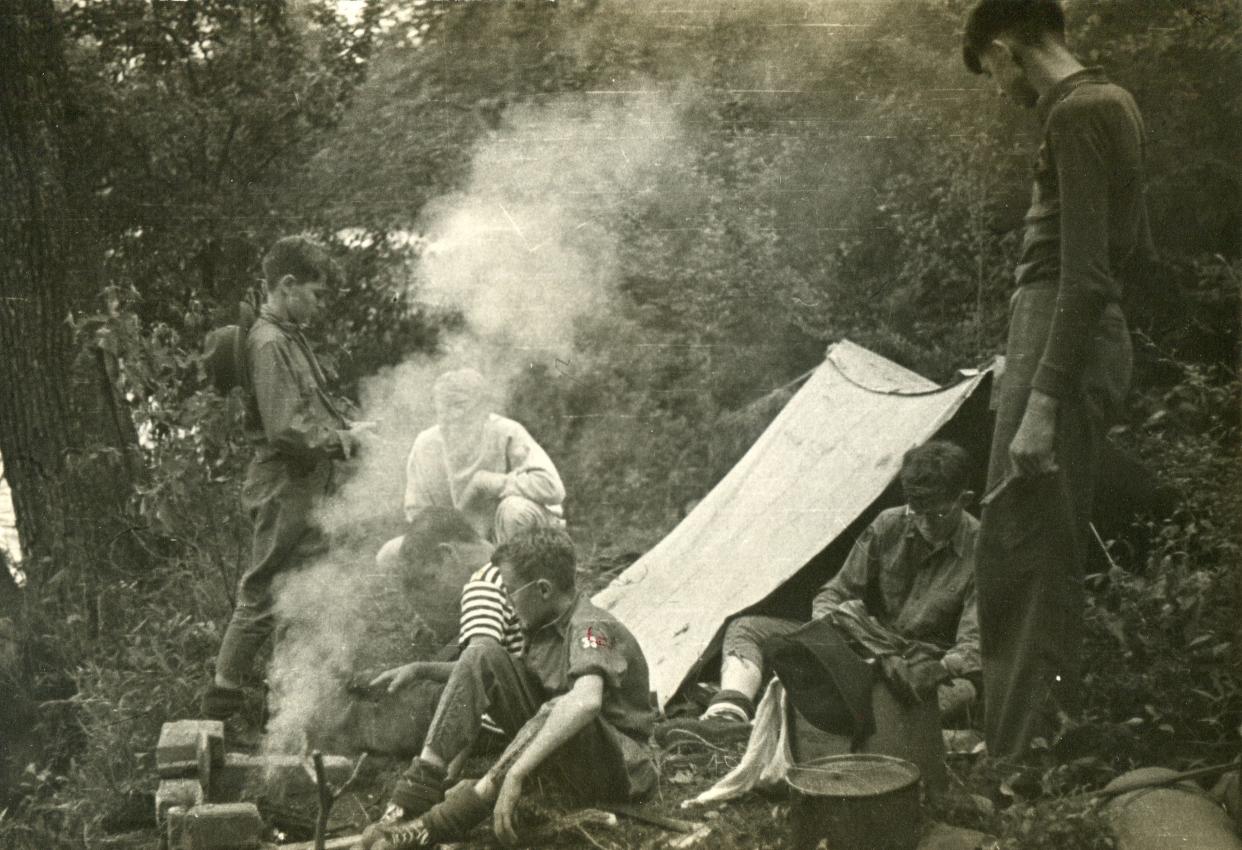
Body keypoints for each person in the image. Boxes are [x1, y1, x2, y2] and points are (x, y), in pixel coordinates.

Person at [961, 0, 1151, 760]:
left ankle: (1019, 771)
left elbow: (1085, 275)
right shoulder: (1114, 102)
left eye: (993, 74)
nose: (1003, 91)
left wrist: (1044, 396)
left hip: (1062, 332)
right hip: (1057, 335)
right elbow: (1128, 252)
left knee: (1021, 549)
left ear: (1006, 50)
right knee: (1031, 543)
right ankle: (1022, 748)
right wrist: (1031, 350)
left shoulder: (1073, 114)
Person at [356, 527, 657, 850]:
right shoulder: (543, 630)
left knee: (560, 705)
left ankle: (439, 823)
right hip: (571, 761)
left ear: (542, 589)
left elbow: (585, 702)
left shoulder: (591, 627)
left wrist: (514, 774)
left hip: (622, 769)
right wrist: (422, 670)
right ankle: (411, 797)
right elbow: (483, 673)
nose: (509, 603)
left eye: (511, 591)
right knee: (480, 653)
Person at [675, 441, 981, 739]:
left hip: (922, 666)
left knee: (963, 692)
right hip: (868, 646)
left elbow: (973, 643)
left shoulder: (981, 549)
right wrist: (825, 632)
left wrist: (937, 668)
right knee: (747, 629)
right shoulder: (890, 524)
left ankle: (815, 722)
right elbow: (836, 592)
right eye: (917, 512)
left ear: (964, 500)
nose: (924, 523)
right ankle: (728, 715)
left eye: (936, 514)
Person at [200, 236, 370, 722]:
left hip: (302, 482)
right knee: (264, 590)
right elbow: (285, 429)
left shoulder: (285, 333)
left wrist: (345, 429)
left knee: (306, 582)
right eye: (315, 294)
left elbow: (305, 412)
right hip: (284, 485)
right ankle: (222, 704)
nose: (319, 306)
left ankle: (291, 695)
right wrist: (342, 440)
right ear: (288, 286)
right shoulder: (271, 342)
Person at [343, 507, 522, 757]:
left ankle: (344, 723)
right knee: (417, 685)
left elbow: (477, 670)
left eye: (431, 577)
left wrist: (421, 670)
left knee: (419, 704)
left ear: (446, 553)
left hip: (505, 714)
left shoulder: (481, 588)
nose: (432, 589)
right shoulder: (503, 558)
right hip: (517, 682)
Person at [392, 369, 565, 553]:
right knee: (390, 554)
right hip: (464, 538)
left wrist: (489, 482)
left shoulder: (506, 432)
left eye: (459, 404)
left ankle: (513, 577)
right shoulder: (426, 444)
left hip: (513, 531)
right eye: (443, 405)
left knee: (514, 511)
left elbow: (552, 488)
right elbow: (416, 512)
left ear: (483, 407)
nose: (451, 414)